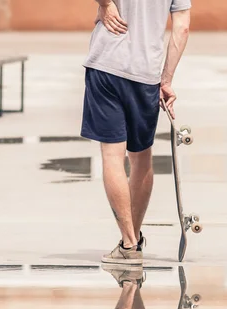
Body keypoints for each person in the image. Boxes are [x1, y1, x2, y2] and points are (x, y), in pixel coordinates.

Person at [80, 0, 191, 265]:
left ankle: (129, 245)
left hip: (107, 65)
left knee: (112, 155)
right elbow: (182, 28)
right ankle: (133, 238)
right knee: (141, 158)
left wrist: (105, 4)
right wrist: (166, 80)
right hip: (146, 75)